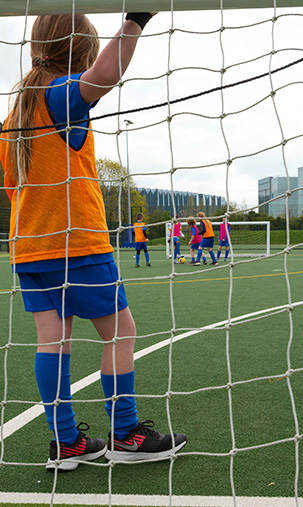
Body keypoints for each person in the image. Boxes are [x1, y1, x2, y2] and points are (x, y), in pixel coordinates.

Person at [0, 13, 186, 470]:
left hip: (30, 249)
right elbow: (105, 75)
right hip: (78, 244)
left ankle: (66, 444)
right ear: (80, 52)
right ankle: (125, 435)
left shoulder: (13, 116)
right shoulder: (60, 96)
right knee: (121, 333)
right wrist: (136, 20)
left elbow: (11, 187)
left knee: (52, 340)